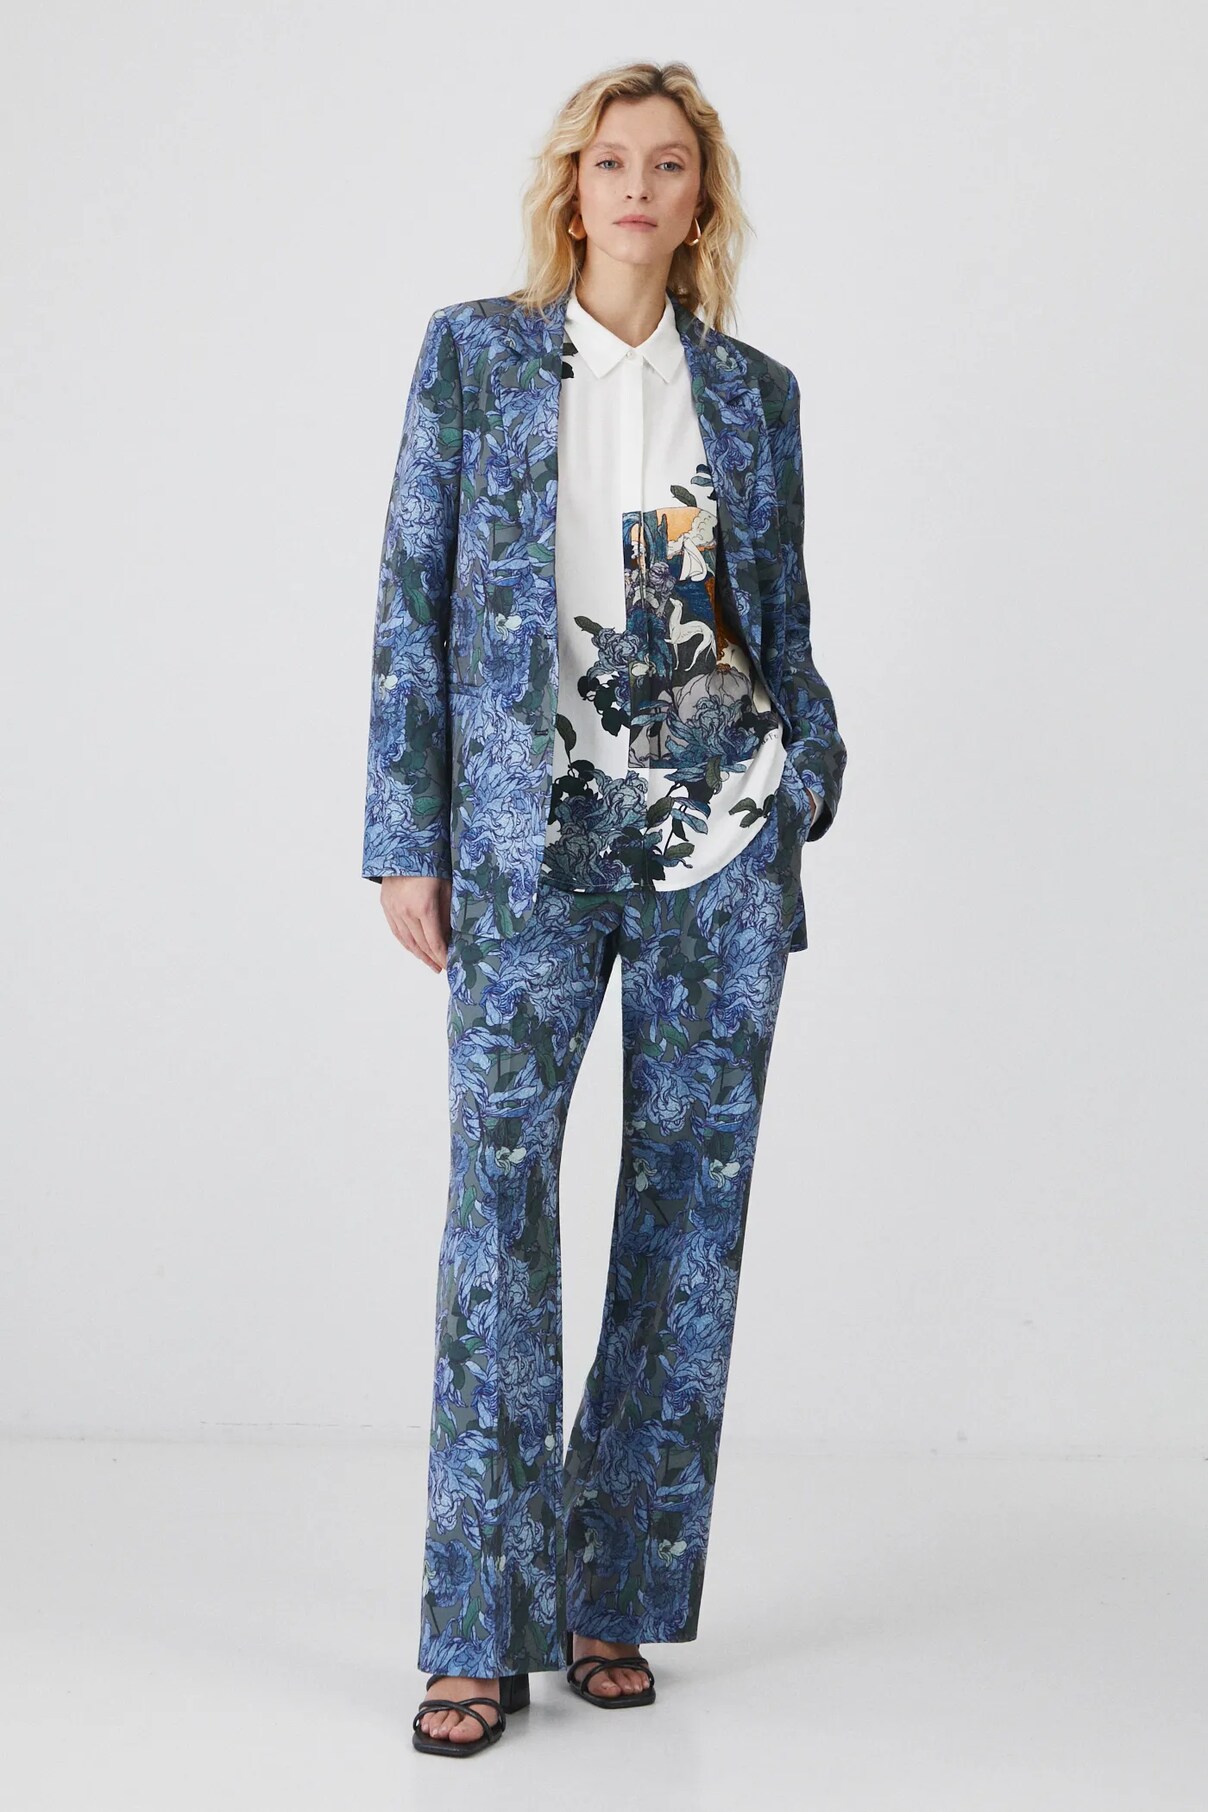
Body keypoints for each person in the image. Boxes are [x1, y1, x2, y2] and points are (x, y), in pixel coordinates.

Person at [361, 59, 847, 1758]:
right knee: (498, 1213)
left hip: (720, 842)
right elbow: (411, 595)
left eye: (669, 166)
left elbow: (777, 612)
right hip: (528, 846)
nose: (638, 188)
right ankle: (475, 1628)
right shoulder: (475, 356)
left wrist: (807, 769)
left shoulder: (757, 395)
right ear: (572, 191)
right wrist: (404, 834)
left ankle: (608, 1593)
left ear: (701, 202)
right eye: (612, 161)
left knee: (684, 1228)